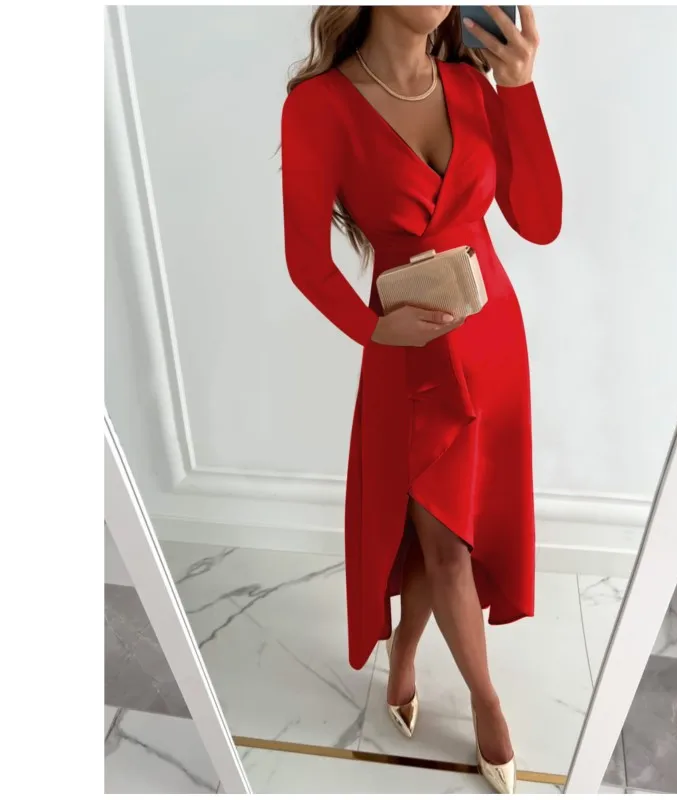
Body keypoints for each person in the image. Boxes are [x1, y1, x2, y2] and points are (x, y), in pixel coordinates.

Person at [281, 6, 561, 793]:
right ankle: (485, 699)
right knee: (443, 544)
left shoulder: (472, 86)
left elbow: (539, 223)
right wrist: (374, 330)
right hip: (408, 354)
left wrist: (520, 89)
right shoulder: (319, 106)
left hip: (494, 341)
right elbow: (306, 261)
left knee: (458, 530)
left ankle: (406, 647)